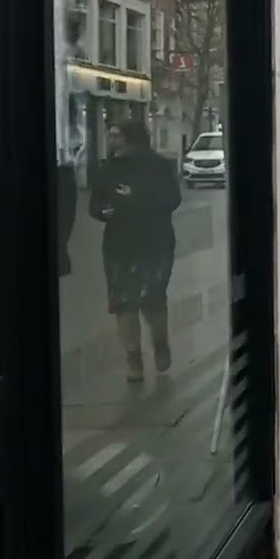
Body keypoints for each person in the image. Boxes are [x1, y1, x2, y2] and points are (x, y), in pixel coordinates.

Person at [90, 119, 182, 383]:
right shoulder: (107, 170)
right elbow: (96, 205)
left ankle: (160, 344)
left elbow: (173, 199)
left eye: (117, 135)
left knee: (153, 299)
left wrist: (137, 198)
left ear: (132, 138)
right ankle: (133, 359)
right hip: (119, 245)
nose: (112, 140)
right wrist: (106, 211)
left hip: (155, 243)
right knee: (123, 303)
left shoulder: (158, 166)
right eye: (111, 135)